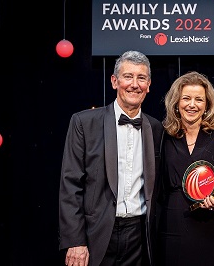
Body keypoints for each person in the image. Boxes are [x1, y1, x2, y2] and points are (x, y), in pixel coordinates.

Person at [58, 50, 164, 266]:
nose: (134, 84)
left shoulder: (156, 128)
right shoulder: (84, 123)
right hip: (95, 234)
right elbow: (71, 185)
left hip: (140, 237)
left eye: (141, 78)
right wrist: (75, 240)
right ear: (114, 81)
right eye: (128, 77)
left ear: (149, 85)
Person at [156, 71, 214, 266]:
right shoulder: (163, 138)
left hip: (211, 228)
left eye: (199, 100)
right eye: (186, 98)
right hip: (172, 227)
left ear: (207, 105)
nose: (192, 105)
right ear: (176, 103)